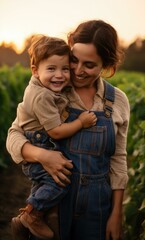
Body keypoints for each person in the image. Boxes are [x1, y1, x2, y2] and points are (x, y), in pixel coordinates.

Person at [6, 19, 130, 240]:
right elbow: (14, 135)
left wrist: (116, 213)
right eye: (74, 60)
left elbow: (118, 158)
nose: (78, 71)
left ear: (106, 64)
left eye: (89, 65)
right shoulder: (52, 89)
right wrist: (43, 155)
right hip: (54, 206)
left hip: (97, 207)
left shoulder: (117, 101)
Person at [9, 35, 97, 240]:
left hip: (45, 147)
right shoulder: (43, 95)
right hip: (40, 143)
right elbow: (56, 132)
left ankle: (28, 218)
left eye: (65, 69)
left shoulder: (51, 89)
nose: (60, 75)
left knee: (46, 186)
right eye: (51, 69)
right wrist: (80, 123)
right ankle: (31, 216)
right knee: (59, 184)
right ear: (35, 70)